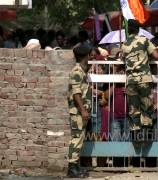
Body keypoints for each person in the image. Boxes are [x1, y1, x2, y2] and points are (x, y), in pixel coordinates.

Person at [121, 19, 158, 141]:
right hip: (144, 79)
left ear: (128, 30)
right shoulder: (144, 40)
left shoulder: (125, 44)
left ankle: (135, 134)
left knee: (133, 107)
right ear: (138, 29)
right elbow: (156, 55)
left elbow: (123, 59)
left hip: (131, 81)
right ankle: (147, 133)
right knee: (146, 106)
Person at [67, 45, 92, 178]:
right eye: (89, 55)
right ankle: (72, 168)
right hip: (77, 112)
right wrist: (83, 110)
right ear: (85, 56)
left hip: (80, 112)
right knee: (76, 139)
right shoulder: (76, 71)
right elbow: (76, 93)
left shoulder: (82, 71)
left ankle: (76, 166)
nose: (91, 57)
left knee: (80, 139)